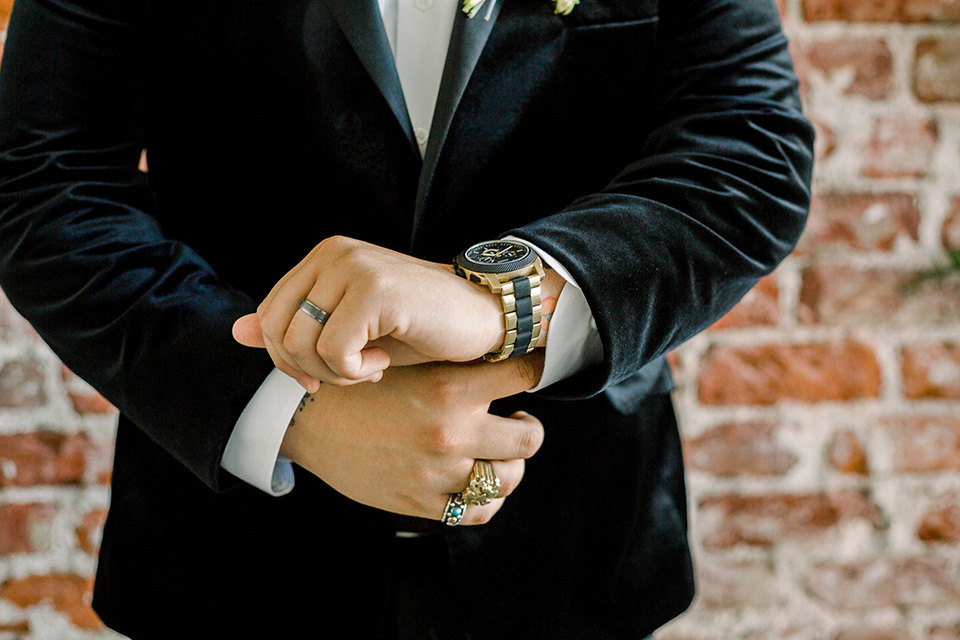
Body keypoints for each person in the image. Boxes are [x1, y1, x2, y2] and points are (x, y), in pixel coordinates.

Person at [0, 0, 814, 637]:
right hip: (229, 559)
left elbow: (750, 146)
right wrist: (291, 412)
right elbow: (43, 182)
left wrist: (494, 298)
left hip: (576, 547)